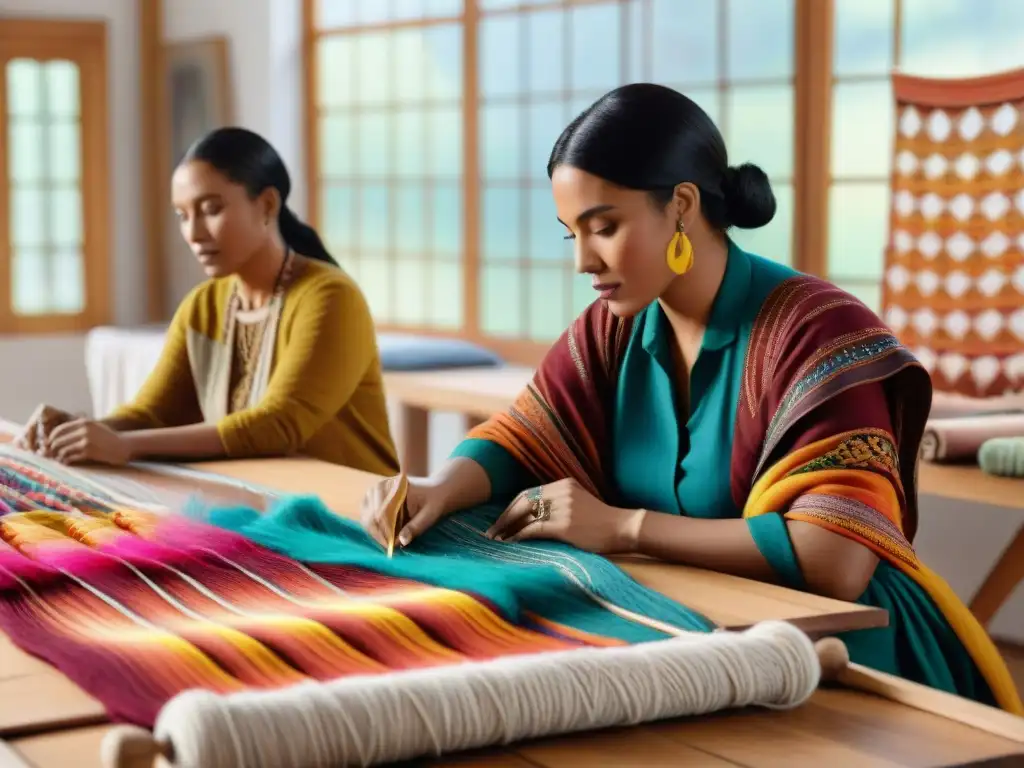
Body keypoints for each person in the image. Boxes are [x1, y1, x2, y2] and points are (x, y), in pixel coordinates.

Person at [362, 84, 1022, 712]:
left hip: (836, 642)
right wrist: (438, 486)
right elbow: (524, 435)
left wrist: (623, 528)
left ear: (680, 205)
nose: (582, 262)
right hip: (691, 614)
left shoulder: (818, 329)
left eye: (603, 227)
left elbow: (835, 560)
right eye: (573, 234)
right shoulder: (612, 327)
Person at [19, 127, 398, 475]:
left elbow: (278, 425)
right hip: (260, 508)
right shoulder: (203, 306)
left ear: (267, 205)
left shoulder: (330, 297)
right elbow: (153, 413)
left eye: (211, 209)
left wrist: (124, 446)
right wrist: (76, 430)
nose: (194, 233)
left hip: (352, 517)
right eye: (183, 215)